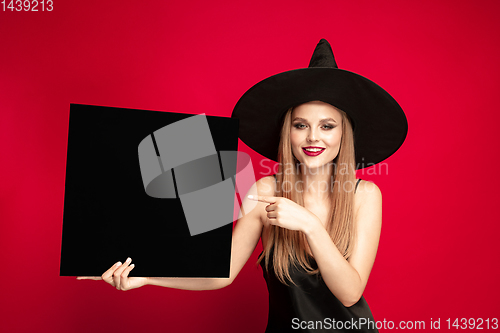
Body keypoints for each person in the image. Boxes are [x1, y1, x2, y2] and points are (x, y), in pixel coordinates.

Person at [79, 39, 408, 332]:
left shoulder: (364, 195)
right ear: (287, 132)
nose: (313, 137)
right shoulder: (265, 192)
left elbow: (350, 292)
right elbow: (221, 274)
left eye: (327, 126)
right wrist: (147, 277)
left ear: (342, 134)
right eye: (300, 125)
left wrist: (309, 225)